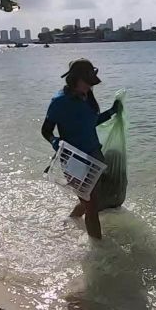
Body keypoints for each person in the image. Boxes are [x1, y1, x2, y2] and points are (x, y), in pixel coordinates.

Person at [41, 58, 121, 239]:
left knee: (91, 201)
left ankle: (71, 220)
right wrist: (55, 141)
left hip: (94, 155)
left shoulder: (87, 97)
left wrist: (110, 112)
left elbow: (91, 124)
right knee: (91, 204)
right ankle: (99, 249)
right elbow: (45, 130)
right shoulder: (59, 102)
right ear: (75, 79)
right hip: (73, 159)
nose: (90, 87)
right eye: (88, 82)